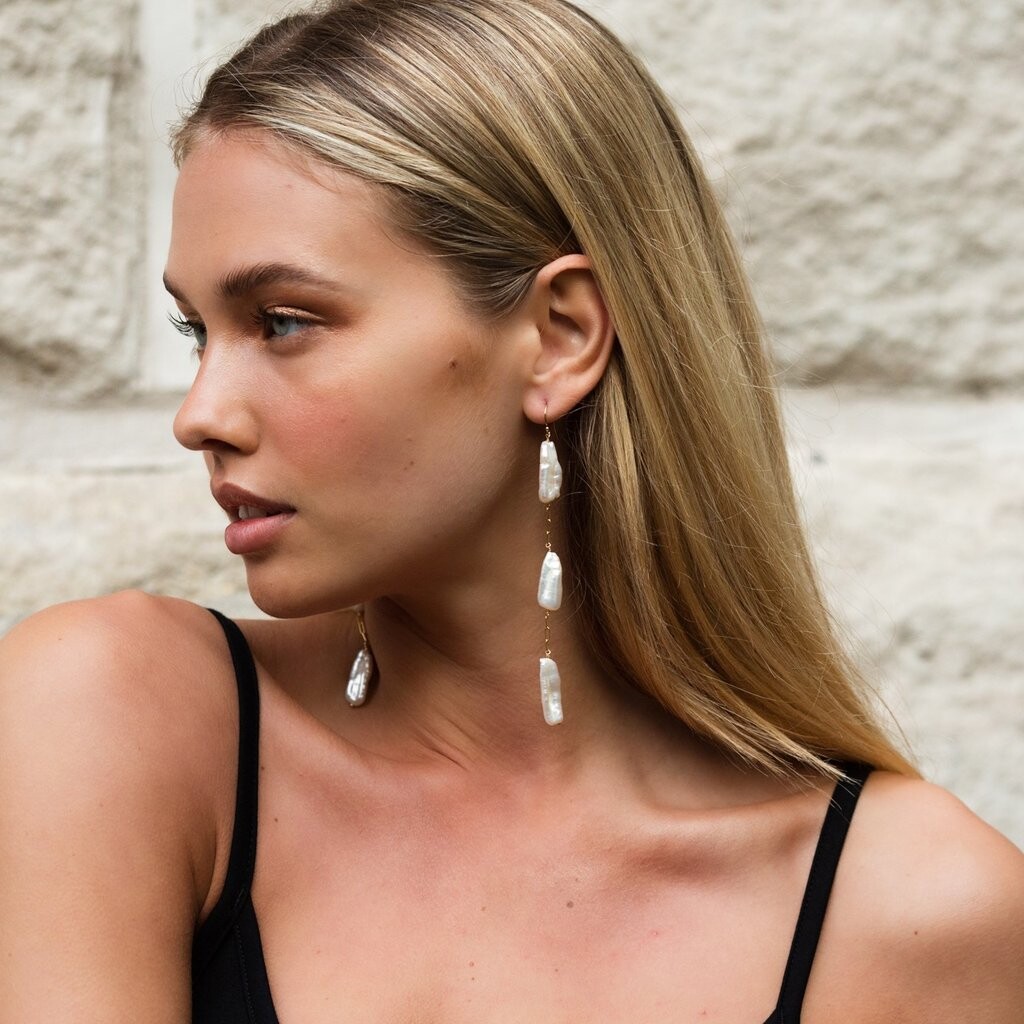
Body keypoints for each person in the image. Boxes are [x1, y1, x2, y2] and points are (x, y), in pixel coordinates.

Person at [1, 0, 1022, 1019]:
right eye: (198, 331)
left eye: (283, 322)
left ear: (559, 337)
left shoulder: (914, 911)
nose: (200, 415)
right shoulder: (115, 718)